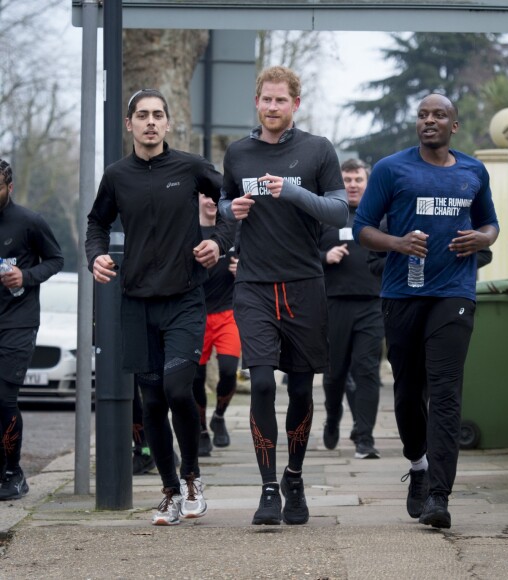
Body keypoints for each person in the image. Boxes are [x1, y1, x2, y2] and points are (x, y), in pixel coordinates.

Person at [85, 89, 232, 526]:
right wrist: (95, 254)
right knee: (150, 404)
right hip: (137, 301)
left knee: (176, 389)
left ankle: (192, 478)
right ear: (129, 124)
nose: (150, 122)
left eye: (158, 115)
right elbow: (97, 221)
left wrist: (218, 243)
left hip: (185, 297)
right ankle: (169, 491)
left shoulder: (190, 167)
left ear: (168, 124)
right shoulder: (117, 175)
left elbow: (230, 205)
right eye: (142, 115)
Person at [353, 93, 499, 529]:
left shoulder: (473, 171)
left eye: (438, 115)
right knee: (408, 391)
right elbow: (362, 227)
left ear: (454, 125)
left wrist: (484, 238)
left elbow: (490, 221)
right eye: (422, 115)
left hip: (454, 292)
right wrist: (396, 243)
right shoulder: (391, 169)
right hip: (402, 294)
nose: (429, 121)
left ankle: (439, 494)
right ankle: (417, 464)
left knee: (447, 391)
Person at [219, 66, 348, 526]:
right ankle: (268, 487)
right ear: (256, 102)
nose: (272, 107)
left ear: (296, 104)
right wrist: (228, 208)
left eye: (281, 100)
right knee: (260, 382)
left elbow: (338, 206)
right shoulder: (238, 153)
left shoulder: (317, 150)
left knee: (298, 387)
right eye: (266, 100)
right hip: (253, 284)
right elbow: (221, 202)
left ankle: (294, 476)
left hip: (303, 285)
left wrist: (294, 192)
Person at [0, 159, 64, 500]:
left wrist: (25, 276)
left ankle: (14, 471)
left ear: (9, 188)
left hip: (18, 321)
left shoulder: (28, 222)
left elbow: (56, 260)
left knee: (4, 398)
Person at [319, 158, 383, 459]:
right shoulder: (326, 216)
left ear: (366, 182)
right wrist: (324, 256)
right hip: (333, 305)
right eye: (347, 179)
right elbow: (302, 253)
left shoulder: (379, 217)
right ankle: (333, 416)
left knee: (368, 372)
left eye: (358, 179)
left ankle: (365, 438)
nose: (353, 184)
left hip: (372, 303)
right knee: (334, 376)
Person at [193, 194, 240, 457]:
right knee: (196, 379)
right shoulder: (189, 229)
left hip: (227, 312)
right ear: (198, 199)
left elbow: (253, 261)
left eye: (216, 196)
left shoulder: (232, 228)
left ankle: (219, 416)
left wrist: (241, 269)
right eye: (206, 196)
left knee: (229, 371)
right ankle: (201, 429)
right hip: (196, 314)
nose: (211, 200)